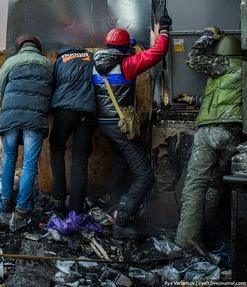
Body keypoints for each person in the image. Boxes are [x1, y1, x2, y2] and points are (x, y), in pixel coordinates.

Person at [92, 15, 171, 239]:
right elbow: (157, 53)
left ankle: (116, 205)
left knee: (122, 163)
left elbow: (120, 47)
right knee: (145, 176)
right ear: (125, 49)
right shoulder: (127, 65)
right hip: (121, 125)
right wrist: (163, 32)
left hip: (105, 124)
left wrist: (130, 42)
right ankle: (122, 222)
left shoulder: (96, 63)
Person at [175, 29, 243, 247]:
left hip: (210, 131)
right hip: (234, 135)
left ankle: (186, 243)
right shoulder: (243, 68)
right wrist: (194, 99)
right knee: (217, 185)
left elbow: (192, 59)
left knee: (195, 185)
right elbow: (226, 98)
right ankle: (206, 233)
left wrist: (205, 37)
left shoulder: (222, 64)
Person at [0, 36, 53, 229]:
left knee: (9, 158)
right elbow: (51, 91)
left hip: (10, 118)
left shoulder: (10, 62)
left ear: (21, 48)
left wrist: (10, 104)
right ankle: (22, 209)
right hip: (34, 120)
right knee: (29, 164)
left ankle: (5, 200)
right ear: (38, 48)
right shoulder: (47, 64)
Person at [49, 46, 97, 215]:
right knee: (80, 159)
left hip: (64, 111)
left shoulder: (60, 60)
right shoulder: (91, 58)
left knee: (56, 149)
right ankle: (76, 208)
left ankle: (58, 199)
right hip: (87, 111)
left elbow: (52, 84)